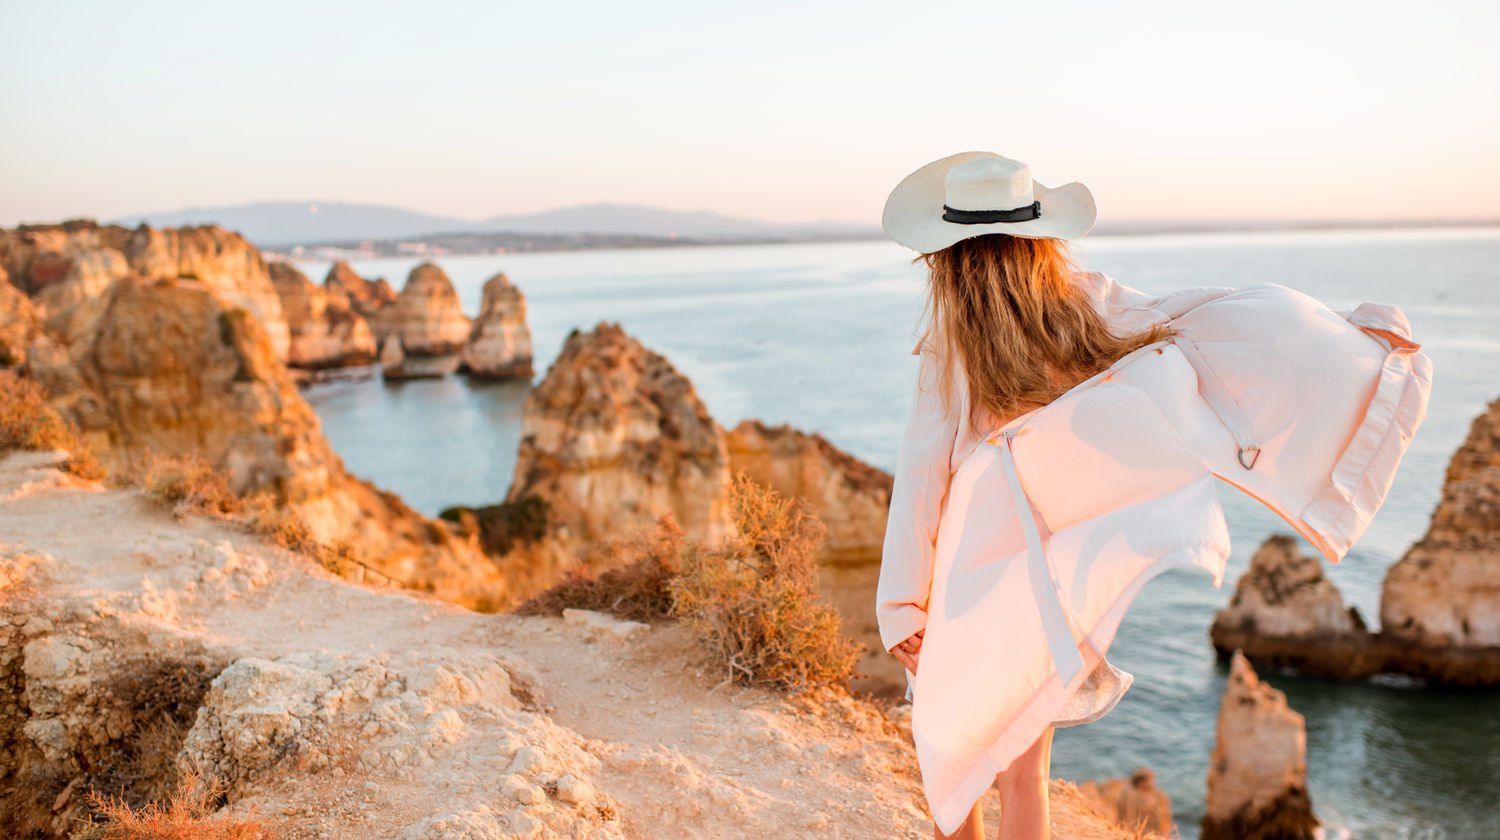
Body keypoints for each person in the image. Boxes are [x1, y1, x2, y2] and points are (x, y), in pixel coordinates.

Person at [875, 152, 1431, 839]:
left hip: (970, 567)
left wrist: (901, 605)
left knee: (953, 766)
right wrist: (1351, 330)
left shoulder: (950, 344)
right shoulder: (1086, 305)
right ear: (1040, 234)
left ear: (947, 251)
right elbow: (1195, 318)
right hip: (1050, 569)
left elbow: (923, 471)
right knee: (1025, 777)